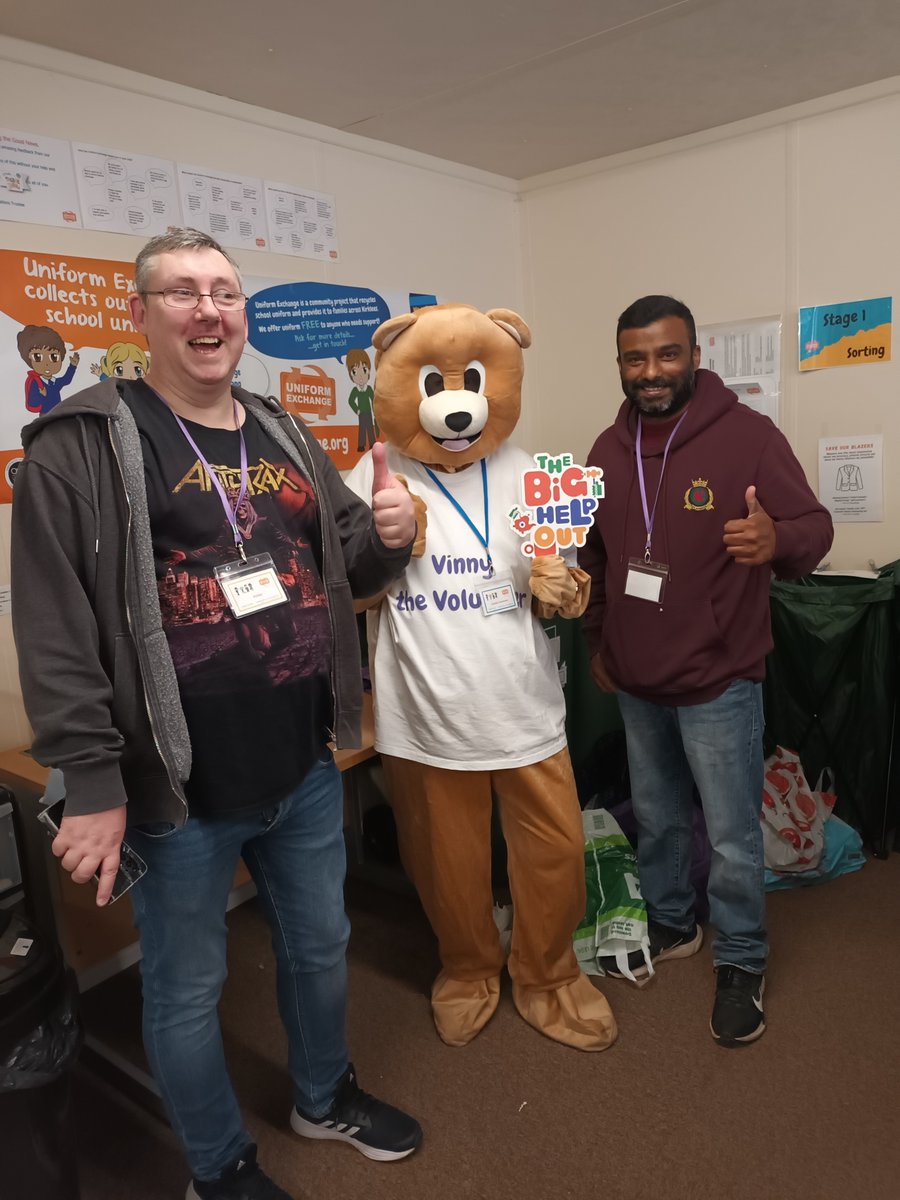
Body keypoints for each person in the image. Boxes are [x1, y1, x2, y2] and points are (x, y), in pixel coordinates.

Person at [12, 228, 422, 1200]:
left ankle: (323, 1098)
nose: (209, 310)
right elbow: (55, 627)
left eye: (226, 292)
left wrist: (392, 540)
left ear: (244, 314)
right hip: (176, 792)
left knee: (322, 948)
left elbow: (347, 568)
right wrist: (97, 783)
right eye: (184, 292)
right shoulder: (81, 443)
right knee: (187, 989)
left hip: (303, 767)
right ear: (140, 314)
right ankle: (217, 1165)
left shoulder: (283, 432)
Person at [579, 294, 833, 1048]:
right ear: (620, 363)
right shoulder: (605, 448)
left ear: (694, 355)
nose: (650, 371)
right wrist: (599, 643)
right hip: (635, 678)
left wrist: (774, 538)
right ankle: (670, 923)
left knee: (729, 835)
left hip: (720, 679)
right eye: (635, 357)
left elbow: (814, 530)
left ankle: (744, 961)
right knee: (655, 820)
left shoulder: (748, 437)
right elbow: (594, 556)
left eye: (665, 354)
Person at [17, 324, 80, 414]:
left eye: (54, 357)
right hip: (45, 417)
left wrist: (72, 366)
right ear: (29, 359)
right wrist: (43, 396)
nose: (47, 364)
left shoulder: (54, 382)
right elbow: (33, 403)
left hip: (58, 414)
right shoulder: (36, 382)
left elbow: (66, 380)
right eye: (38, 357)